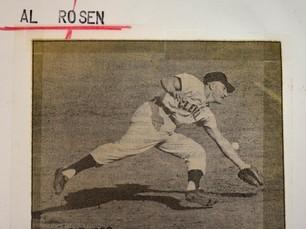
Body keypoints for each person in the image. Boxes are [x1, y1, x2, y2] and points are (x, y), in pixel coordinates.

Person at [53, 72, 253, 208]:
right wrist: (173, 94)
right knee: (121, 150)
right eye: (225, 89)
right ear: (214, 84)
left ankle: (193, 190)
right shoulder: (193, 84)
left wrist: (242, 166)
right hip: (152, 115)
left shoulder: (206, 114)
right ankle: (67, 172)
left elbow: (221, 141)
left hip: (165, 129)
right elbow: (167, 81)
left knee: (196, 151)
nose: (226, 94)